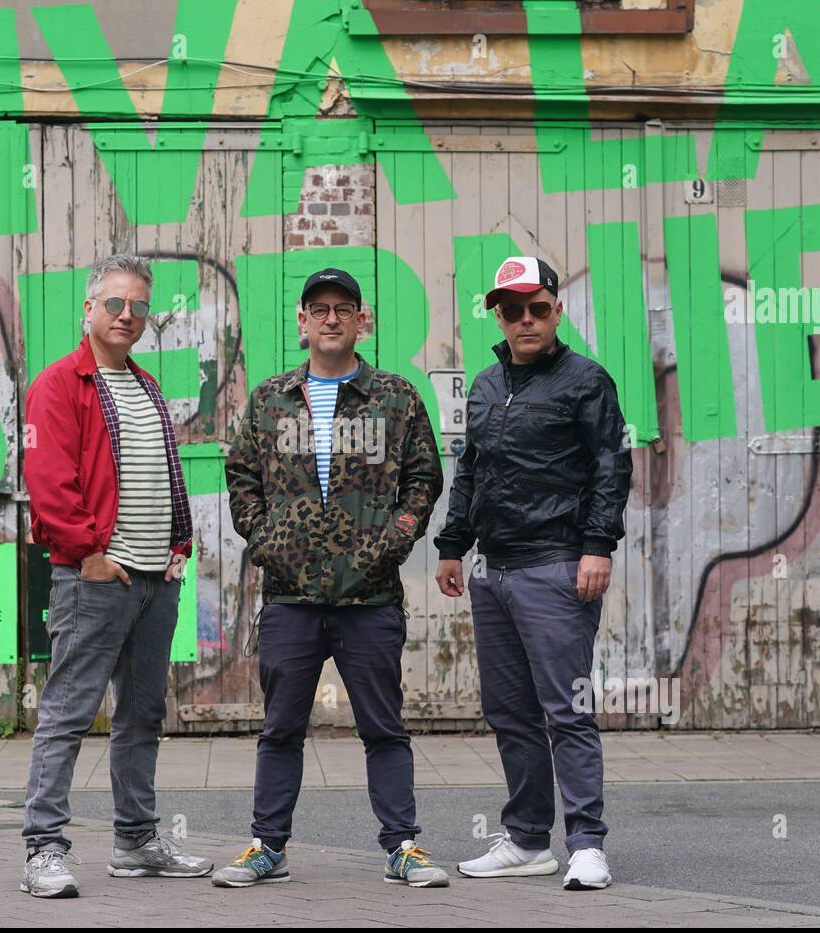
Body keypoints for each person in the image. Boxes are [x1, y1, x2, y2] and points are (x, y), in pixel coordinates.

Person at [213, 267, 447, 888]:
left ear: (361, 319)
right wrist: (267, 543)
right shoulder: (269, 400)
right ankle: (268, 846)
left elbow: (424, 478)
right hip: (292, 596)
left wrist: (390, 543)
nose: (332, 318)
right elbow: (242, 478)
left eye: (344, 308)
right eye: (319, 308)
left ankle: (402, 846)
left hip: (370, 596)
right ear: (302, 320)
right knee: (281, 728)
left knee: (383, 727)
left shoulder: (395, 397)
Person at [434, 256, 632, 889]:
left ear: (557, 310)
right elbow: (470, 471)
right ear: (498, 315)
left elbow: (610, 467)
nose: (525, 320)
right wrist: (451, 544)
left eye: (537, 308)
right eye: (512, 309)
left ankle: (588, 845)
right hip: (493, 571)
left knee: (566, 710)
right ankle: (526, 840)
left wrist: (598, 546)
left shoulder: (586, 381)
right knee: (510, 712)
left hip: (557, 565)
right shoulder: (488, 385)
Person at [19, 253, 211, 897]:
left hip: (158, 581)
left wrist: (178, 544)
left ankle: (134, 841)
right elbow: (48, 483)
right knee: (69, 713)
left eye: (138, 307)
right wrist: (88, 553)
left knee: (142, 715)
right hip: (96, 579)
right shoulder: (58, 386)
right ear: (89, 308)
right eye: (114, 304)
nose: (127, 316)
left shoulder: (145, 383)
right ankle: (43, 849)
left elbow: (160, 476)